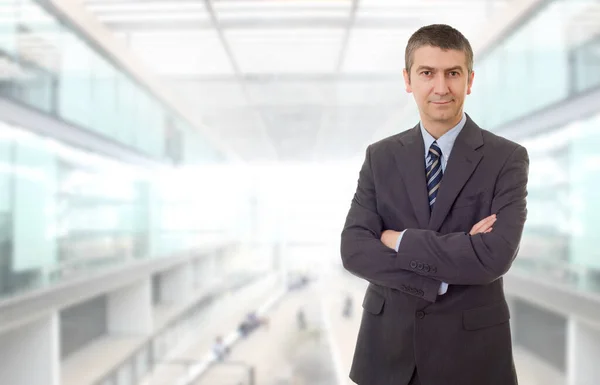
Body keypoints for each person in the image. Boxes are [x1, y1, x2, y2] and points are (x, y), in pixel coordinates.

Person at [340, 24, 528, 385]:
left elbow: (494, 256)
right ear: (408, 80)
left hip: (473, 359)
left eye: (453, 73)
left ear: (469, 80)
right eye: (427, 73)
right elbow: (354, 250)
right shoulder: (379, 157)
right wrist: (450, 263)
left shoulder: (507, 158)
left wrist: (398, 240)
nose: (441, 87)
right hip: (387, 357)